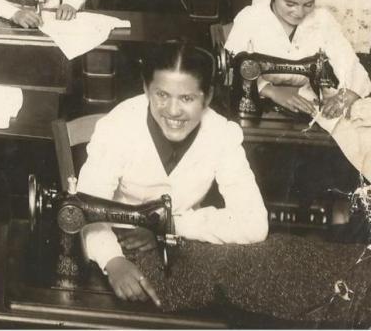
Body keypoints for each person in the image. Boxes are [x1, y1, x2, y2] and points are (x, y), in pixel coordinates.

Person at [77, 42, 268, 306]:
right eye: (161, 95)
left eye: (187, 98)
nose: (173, 111)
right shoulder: (118, 126)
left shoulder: (222, 134)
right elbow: (86, 206)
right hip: (114, 244)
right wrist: (112, 259)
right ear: (146, 90)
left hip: (182, 244)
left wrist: (171, 225)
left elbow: (254, 223)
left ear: (208, 97)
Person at [226, 0, 369, 120]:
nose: (299, 13)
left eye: (308, 4)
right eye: (290, 4)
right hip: (260, 106)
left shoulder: (322, 20)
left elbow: (350, 65)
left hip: (306, 106)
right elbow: (232, 72)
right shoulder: (250, 18)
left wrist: (346, 96)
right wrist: (271, 90)